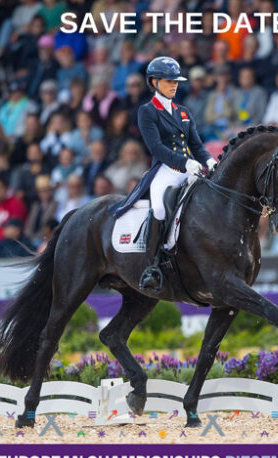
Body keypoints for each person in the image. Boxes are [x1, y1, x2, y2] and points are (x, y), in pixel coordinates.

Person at [109, 57, 215, 291]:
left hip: (190, 168)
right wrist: (185, 163)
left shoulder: (183, 112)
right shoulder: (147, 111)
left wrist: (209, 160)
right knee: (158, 208)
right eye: (168, 81)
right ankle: (153, 265)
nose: (174, 85)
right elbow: (156, 147)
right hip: (166, 169)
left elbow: (196, 145)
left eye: (175, 81)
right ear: (154, 82)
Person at [0, 177, 28, 242]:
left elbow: (14, 230)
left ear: (6, 188)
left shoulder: (16, 203)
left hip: (13, 241)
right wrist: (2, 233)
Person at [24, 175, 58, 247]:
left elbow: (50, 224)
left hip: (45, 238)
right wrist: (30, 237)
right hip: (31, 238)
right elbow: (29, 224)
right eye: (41, 191)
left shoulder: (54, 204)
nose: (44, 193)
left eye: (46, 190)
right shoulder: (35, 205)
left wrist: (37, 237)